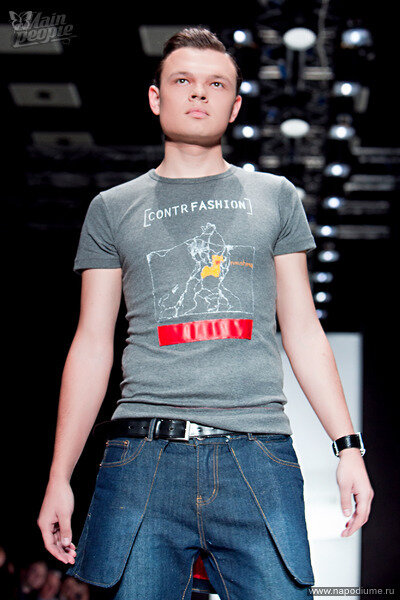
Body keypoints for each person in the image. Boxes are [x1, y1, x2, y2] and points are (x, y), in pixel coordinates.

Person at [37, 26, 374, 599]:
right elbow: (92, 343)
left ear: (234, 105)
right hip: (140, 458)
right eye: (183, 81)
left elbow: (301, 328)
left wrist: (348, 448)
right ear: (156, 97)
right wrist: (59, 477)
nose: (199, 93)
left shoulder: (275, 196)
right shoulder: (112, 208)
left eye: (216, 84)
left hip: (257, 453)